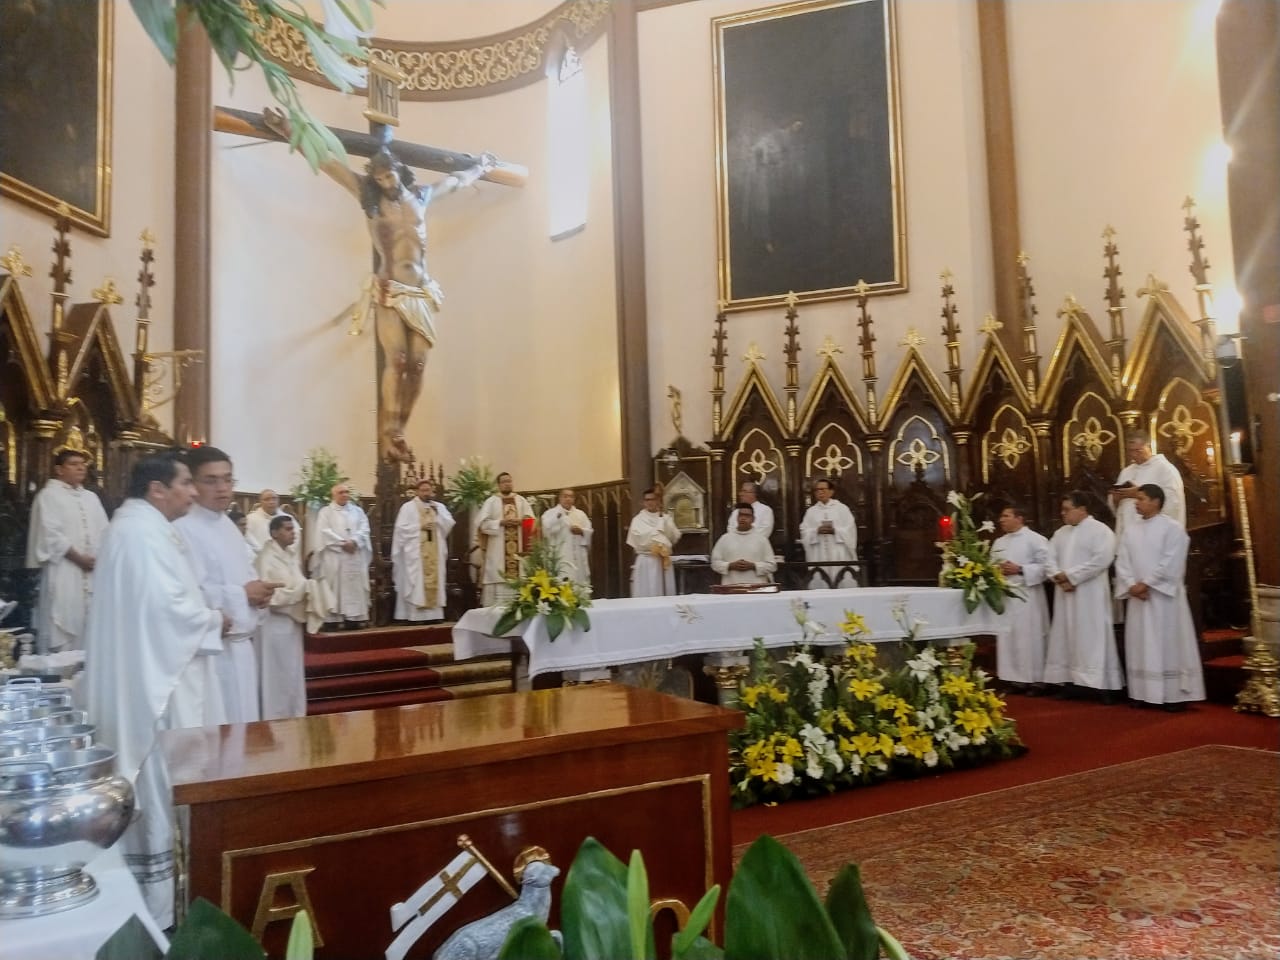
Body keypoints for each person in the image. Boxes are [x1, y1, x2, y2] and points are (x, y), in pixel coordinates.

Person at [264, 107, 495, 464]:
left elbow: (455, 182)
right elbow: (327, 161)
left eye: (390, 177)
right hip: (390, 290)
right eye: (381, 179)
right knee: (398, 359)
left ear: (400, 173)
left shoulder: (421, 197)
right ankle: (389, 431)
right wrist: (288, 128)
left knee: (417, 365)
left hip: (421, 291)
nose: (387, 184)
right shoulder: (366, 197)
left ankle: (400, 428)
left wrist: (479, 167)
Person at [84, 451, 227, 928]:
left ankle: (161, 900)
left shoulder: (136, 526)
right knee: (165, 783)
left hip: (149, 677)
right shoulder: (141, 532)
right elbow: (167, 613)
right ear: (156, 490)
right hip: (157, 693)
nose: (192, 492)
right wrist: (213, 620)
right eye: (186, 483)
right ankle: (164, 909)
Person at [175, 447, 280, 723]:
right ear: (192, 483)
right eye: (211, 480)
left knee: (242, 735)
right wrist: (243, 594)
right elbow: (184, 597)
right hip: (212, 655)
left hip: (240, 649)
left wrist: (259, 595)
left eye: (228, 479)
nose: (222, 488)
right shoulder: (182, 527)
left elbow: (241, 578)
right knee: (218, 739)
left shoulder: (228, 526)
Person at [1114, 483, 1206, 711]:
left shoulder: (1172, 528)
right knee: (1141, 643)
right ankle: (1142, 692)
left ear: (1156, 501)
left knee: (1167, 642)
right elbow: (1122, 561)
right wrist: (1131, 585)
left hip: (1163, 600)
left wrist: (1146, 584)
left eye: (1141, 498)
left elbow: (1171, 561)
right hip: (1139, 599)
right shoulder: (1130, 530)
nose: (1136, 502)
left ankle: (1173, 695)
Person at [25, 449, 109, 653]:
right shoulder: (49, 496)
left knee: (92, 628)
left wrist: (99, 559)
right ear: (59, 469)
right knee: (62, 623)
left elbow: (105, 531)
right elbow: (51, 534)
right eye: (73, 463)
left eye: (83, 464)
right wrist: (79, 559)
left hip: (94, 572)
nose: (81, 467)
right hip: (63, 569)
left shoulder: (91, 498)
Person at [1043, 491, 1123, 701]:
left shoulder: (1101, 531)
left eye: (1067, 509)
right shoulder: (1061, 533)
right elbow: (1048, 557)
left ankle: (1100, 685)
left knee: (1093, 636)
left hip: (1090, 594)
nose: (1063, 514)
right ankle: (1071, 681)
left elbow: (1101, 560)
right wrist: (1058, 576)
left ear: (1082, 510)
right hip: (1065, 593)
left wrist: (1070, 576)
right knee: (1066, 636)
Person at [255, 515, 320, 719]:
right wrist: (302, 591)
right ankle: (275, 718)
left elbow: (296, 584)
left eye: (293, 529)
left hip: (291, 623)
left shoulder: (291, 555)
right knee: (276, 675)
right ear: (274, 533)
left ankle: (294, 714)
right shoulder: (266, 558)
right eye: (287, 529)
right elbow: (269, 594)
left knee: (291, 673)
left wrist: (308, 590)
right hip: (274, 625)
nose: (293, 532)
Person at [991, 504, 1051, 693]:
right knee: (1009, 638)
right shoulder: (999, 542)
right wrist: (996, 571)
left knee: (1029, 638)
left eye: (1006, 515)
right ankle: (1013, 679)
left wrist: (1021, 569)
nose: (1001, 520)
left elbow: (1047, 567)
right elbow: (990, 565)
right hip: (1006, 596)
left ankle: (1035, 680)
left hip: (1028, 597)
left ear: (1020, 518)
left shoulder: (1036, 540)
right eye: (1001, 516)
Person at [392, 478, 456, 621]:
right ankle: (415, 616)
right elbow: (400, 530)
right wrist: (419, 527)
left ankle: (435, 615)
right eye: (423, 490)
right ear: (417, 491)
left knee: (435, 580)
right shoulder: (408, 507)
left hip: (435, 550)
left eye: (429, 490)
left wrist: (438, 515)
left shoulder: (438, 506)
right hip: (415, 552)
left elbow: (449, 524)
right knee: (416, 582)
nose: (427, 493)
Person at [311, 483, 372, 628]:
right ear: (334, 495)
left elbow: (365, 528)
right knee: (334, 585)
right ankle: (333, 619)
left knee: (355, 585)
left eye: (346, 492)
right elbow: (323, 531)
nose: (344, 494)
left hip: (354, 554)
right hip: (335, 555)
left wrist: (355, 541)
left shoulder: (357, 511)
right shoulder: (326, 512)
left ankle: (354, 619)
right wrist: (342, 543)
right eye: (341, 492)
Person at [1111, 432, 1186, 538]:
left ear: (1149, 446)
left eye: (1138, 450)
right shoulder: (1126, 472)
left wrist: (1138, 493)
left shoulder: (1166, 470)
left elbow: (1173, 503)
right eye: (1130, 451)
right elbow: (1118, 509)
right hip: (1127, 533)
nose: (1133, 455)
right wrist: (1116, 499)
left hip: (1153, 535)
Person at [476, 472, 534, 606]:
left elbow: (531, 522)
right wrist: (500, 523)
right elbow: (482, 524)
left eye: (509, 481)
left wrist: (521, 522)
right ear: (498, 485)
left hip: (518, 552)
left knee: (518, 579)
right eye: (504, 481)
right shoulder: (491, 502)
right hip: (497, 552)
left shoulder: (521, 501)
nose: (507, 483)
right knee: (498, 575)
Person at [799, 478, 859, 588]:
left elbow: (850, 530)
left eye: (823, 489)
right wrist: (816, 531)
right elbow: (804, 531)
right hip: (819, 553)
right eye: (817, 490)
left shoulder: (842, 509)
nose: (820, 492)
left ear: (831, 491)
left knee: (842, 584)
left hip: (839, 553)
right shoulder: (811, 511)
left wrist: (835, 530)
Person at [626, 487, 682, 597]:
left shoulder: (666, 518)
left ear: (658, 501)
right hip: (646, 560)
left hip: (662, 560)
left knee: (664, 593)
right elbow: (640, 539)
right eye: (647, 500)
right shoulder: (638, 520)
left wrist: (663, 522)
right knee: (646, 593)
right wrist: (658, 532)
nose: (650, 502)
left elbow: (674, 536)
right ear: (643, 502)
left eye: (653, 499)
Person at [711, 503, 777, 586]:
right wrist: (730, 565)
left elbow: (772, 565)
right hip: (730, 588)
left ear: (753, 519)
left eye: (747, 516)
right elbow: (715, 563)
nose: (743, 518)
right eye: (740, 515)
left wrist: (753, 566)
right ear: (737, 518)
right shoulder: (725, 539)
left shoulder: (762, 540)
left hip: (757, 589)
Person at [540, 488, 594, 585]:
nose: (568, 499)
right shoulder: (551, 513)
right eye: (565, 496)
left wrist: (581, 531)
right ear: (560, 498)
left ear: (574, 499)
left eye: (571, 497)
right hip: (561, 556)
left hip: (578, 557)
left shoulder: (580, 514)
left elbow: (589, 531)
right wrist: (558, 517)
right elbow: (546, 530)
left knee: (579, 585)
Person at [245, 488, 291, 555]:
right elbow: (248, 540)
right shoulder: (250, 519)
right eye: (267, 499)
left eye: (274, 498)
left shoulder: (288, 519)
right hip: (258, 559)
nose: (271, 502)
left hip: (283, 558)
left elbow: (295, 540)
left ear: (278, 500)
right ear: (260, 502)